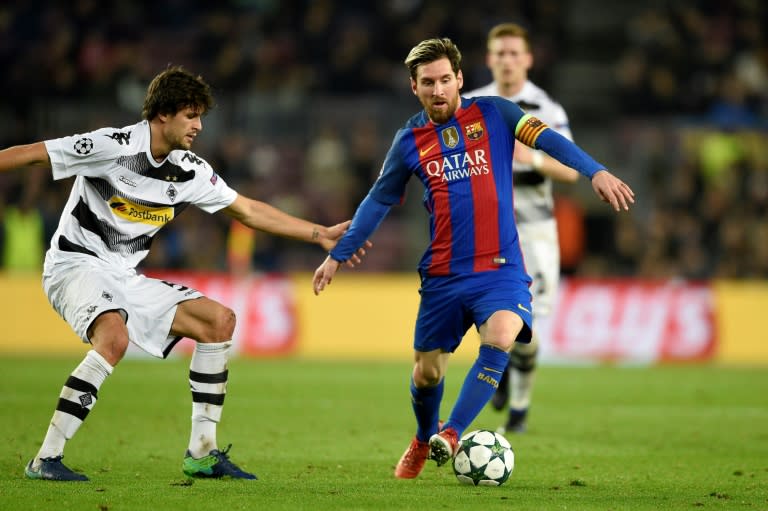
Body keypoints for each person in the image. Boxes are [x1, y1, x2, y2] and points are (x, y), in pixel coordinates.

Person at [0, 66, 367, 482]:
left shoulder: (189, 170)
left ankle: (202, 453)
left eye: (200, 116)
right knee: (114, 338)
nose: (199, 125)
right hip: (75, 263)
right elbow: (33, 152)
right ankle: (45, 458)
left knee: (218, 321)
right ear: (162, 114)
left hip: (123, 276)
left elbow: (246, 209)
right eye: (191, 115)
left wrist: (318, 233)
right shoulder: (112, 146)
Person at [312, 37, 634, 480]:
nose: (439, 89)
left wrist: (594, 170)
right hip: (444, 275)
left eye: (446, 79)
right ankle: (424, 438)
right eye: (429, 82)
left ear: (460, 79)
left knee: (502, 333)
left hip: (500, 268)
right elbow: (377, 201)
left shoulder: (497, 113)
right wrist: (338, 256)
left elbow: (549, 141)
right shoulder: (409, 140)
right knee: (426, 375)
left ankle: (451, 432)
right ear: (414, 87)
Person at [463, 22, 579, 434]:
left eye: (515, 53)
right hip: (483, 234)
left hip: (534, 234)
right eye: (500, 53)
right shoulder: (472, 105)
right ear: (489, 58)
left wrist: (530, 159)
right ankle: (503, 374)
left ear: (528, 59)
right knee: (491, 322)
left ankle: (519, 407)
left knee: (527, 331)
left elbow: (570, 171)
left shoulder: (547, 110)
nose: (507, 60)